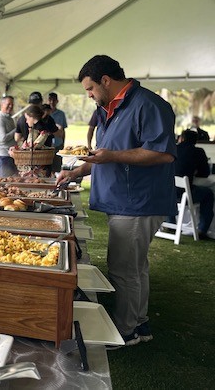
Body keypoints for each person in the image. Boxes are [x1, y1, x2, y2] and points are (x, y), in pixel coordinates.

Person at [56, 55, 176, 348]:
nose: (89, 95)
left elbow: (163, 154)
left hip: (138, 202)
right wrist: (77, 171)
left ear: (105, 81)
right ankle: (139, 322)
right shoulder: (109, 107)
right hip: (123, 200)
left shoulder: (148, 104)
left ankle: (126, 331)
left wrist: (111, 156)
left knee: (123, 268)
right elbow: (104, 155)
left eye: (90, 89)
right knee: (135, 267)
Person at [169, 129, 213, 239]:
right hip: (184, 194)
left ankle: (170, 223)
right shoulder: (198, 152)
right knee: (208, 194)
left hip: (166, 192)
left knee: (172, 191)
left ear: (181, 138)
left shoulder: (172, 149)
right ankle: (203, 229)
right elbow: (205, 173)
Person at [0, 95, 17, 177]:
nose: (10, 106)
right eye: (8, 104)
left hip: (11, 155)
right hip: (3, 156)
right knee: (6, 183)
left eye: (12, 104)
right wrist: (17, 129)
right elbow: (3, 138)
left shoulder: (10, 119)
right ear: (2, 105)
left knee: (13, 182)